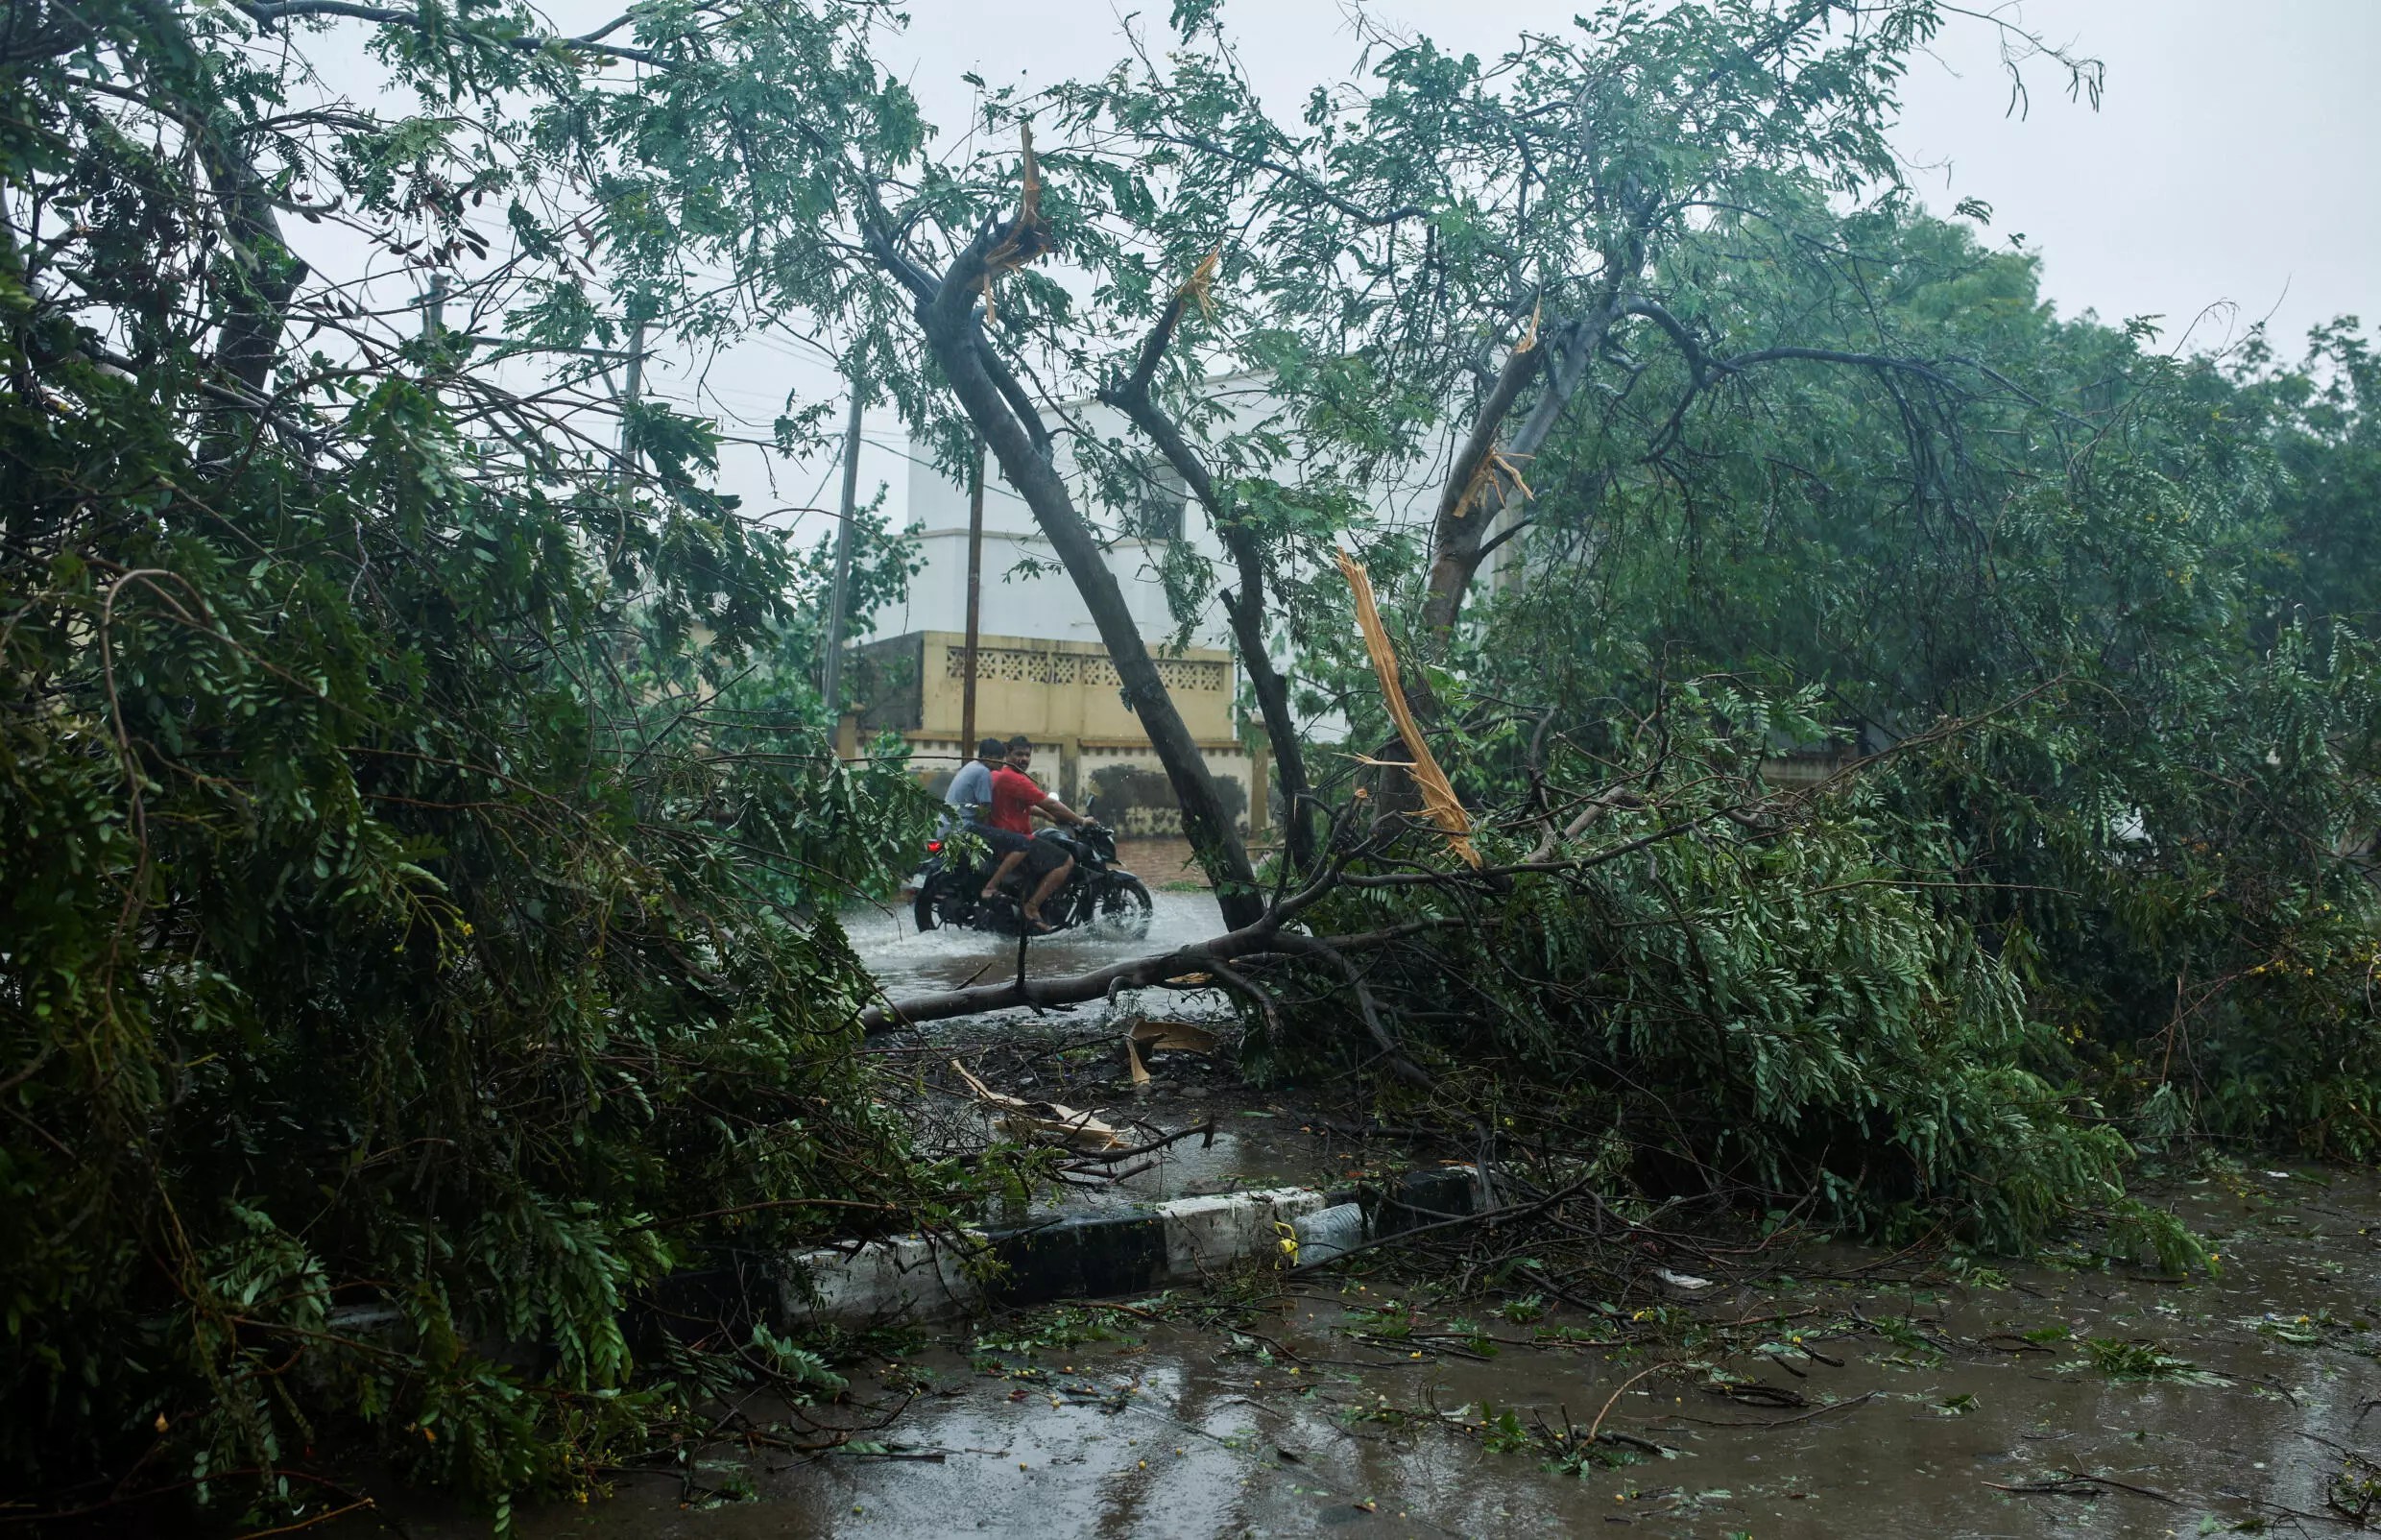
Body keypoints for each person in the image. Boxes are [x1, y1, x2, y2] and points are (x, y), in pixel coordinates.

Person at [984, 734, 1095, 931]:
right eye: (1019, 754)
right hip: (1016, 841)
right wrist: (1081, 820)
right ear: (1007, 753)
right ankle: (1032, 906)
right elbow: (1050, 803)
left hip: (1002, 839)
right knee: (1066, 861)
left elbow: (1022, 804)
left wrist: (1048, 817)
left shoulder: (998, 774)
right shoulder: (1016, 779)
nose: (1024, 759)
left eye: (1027, 755)